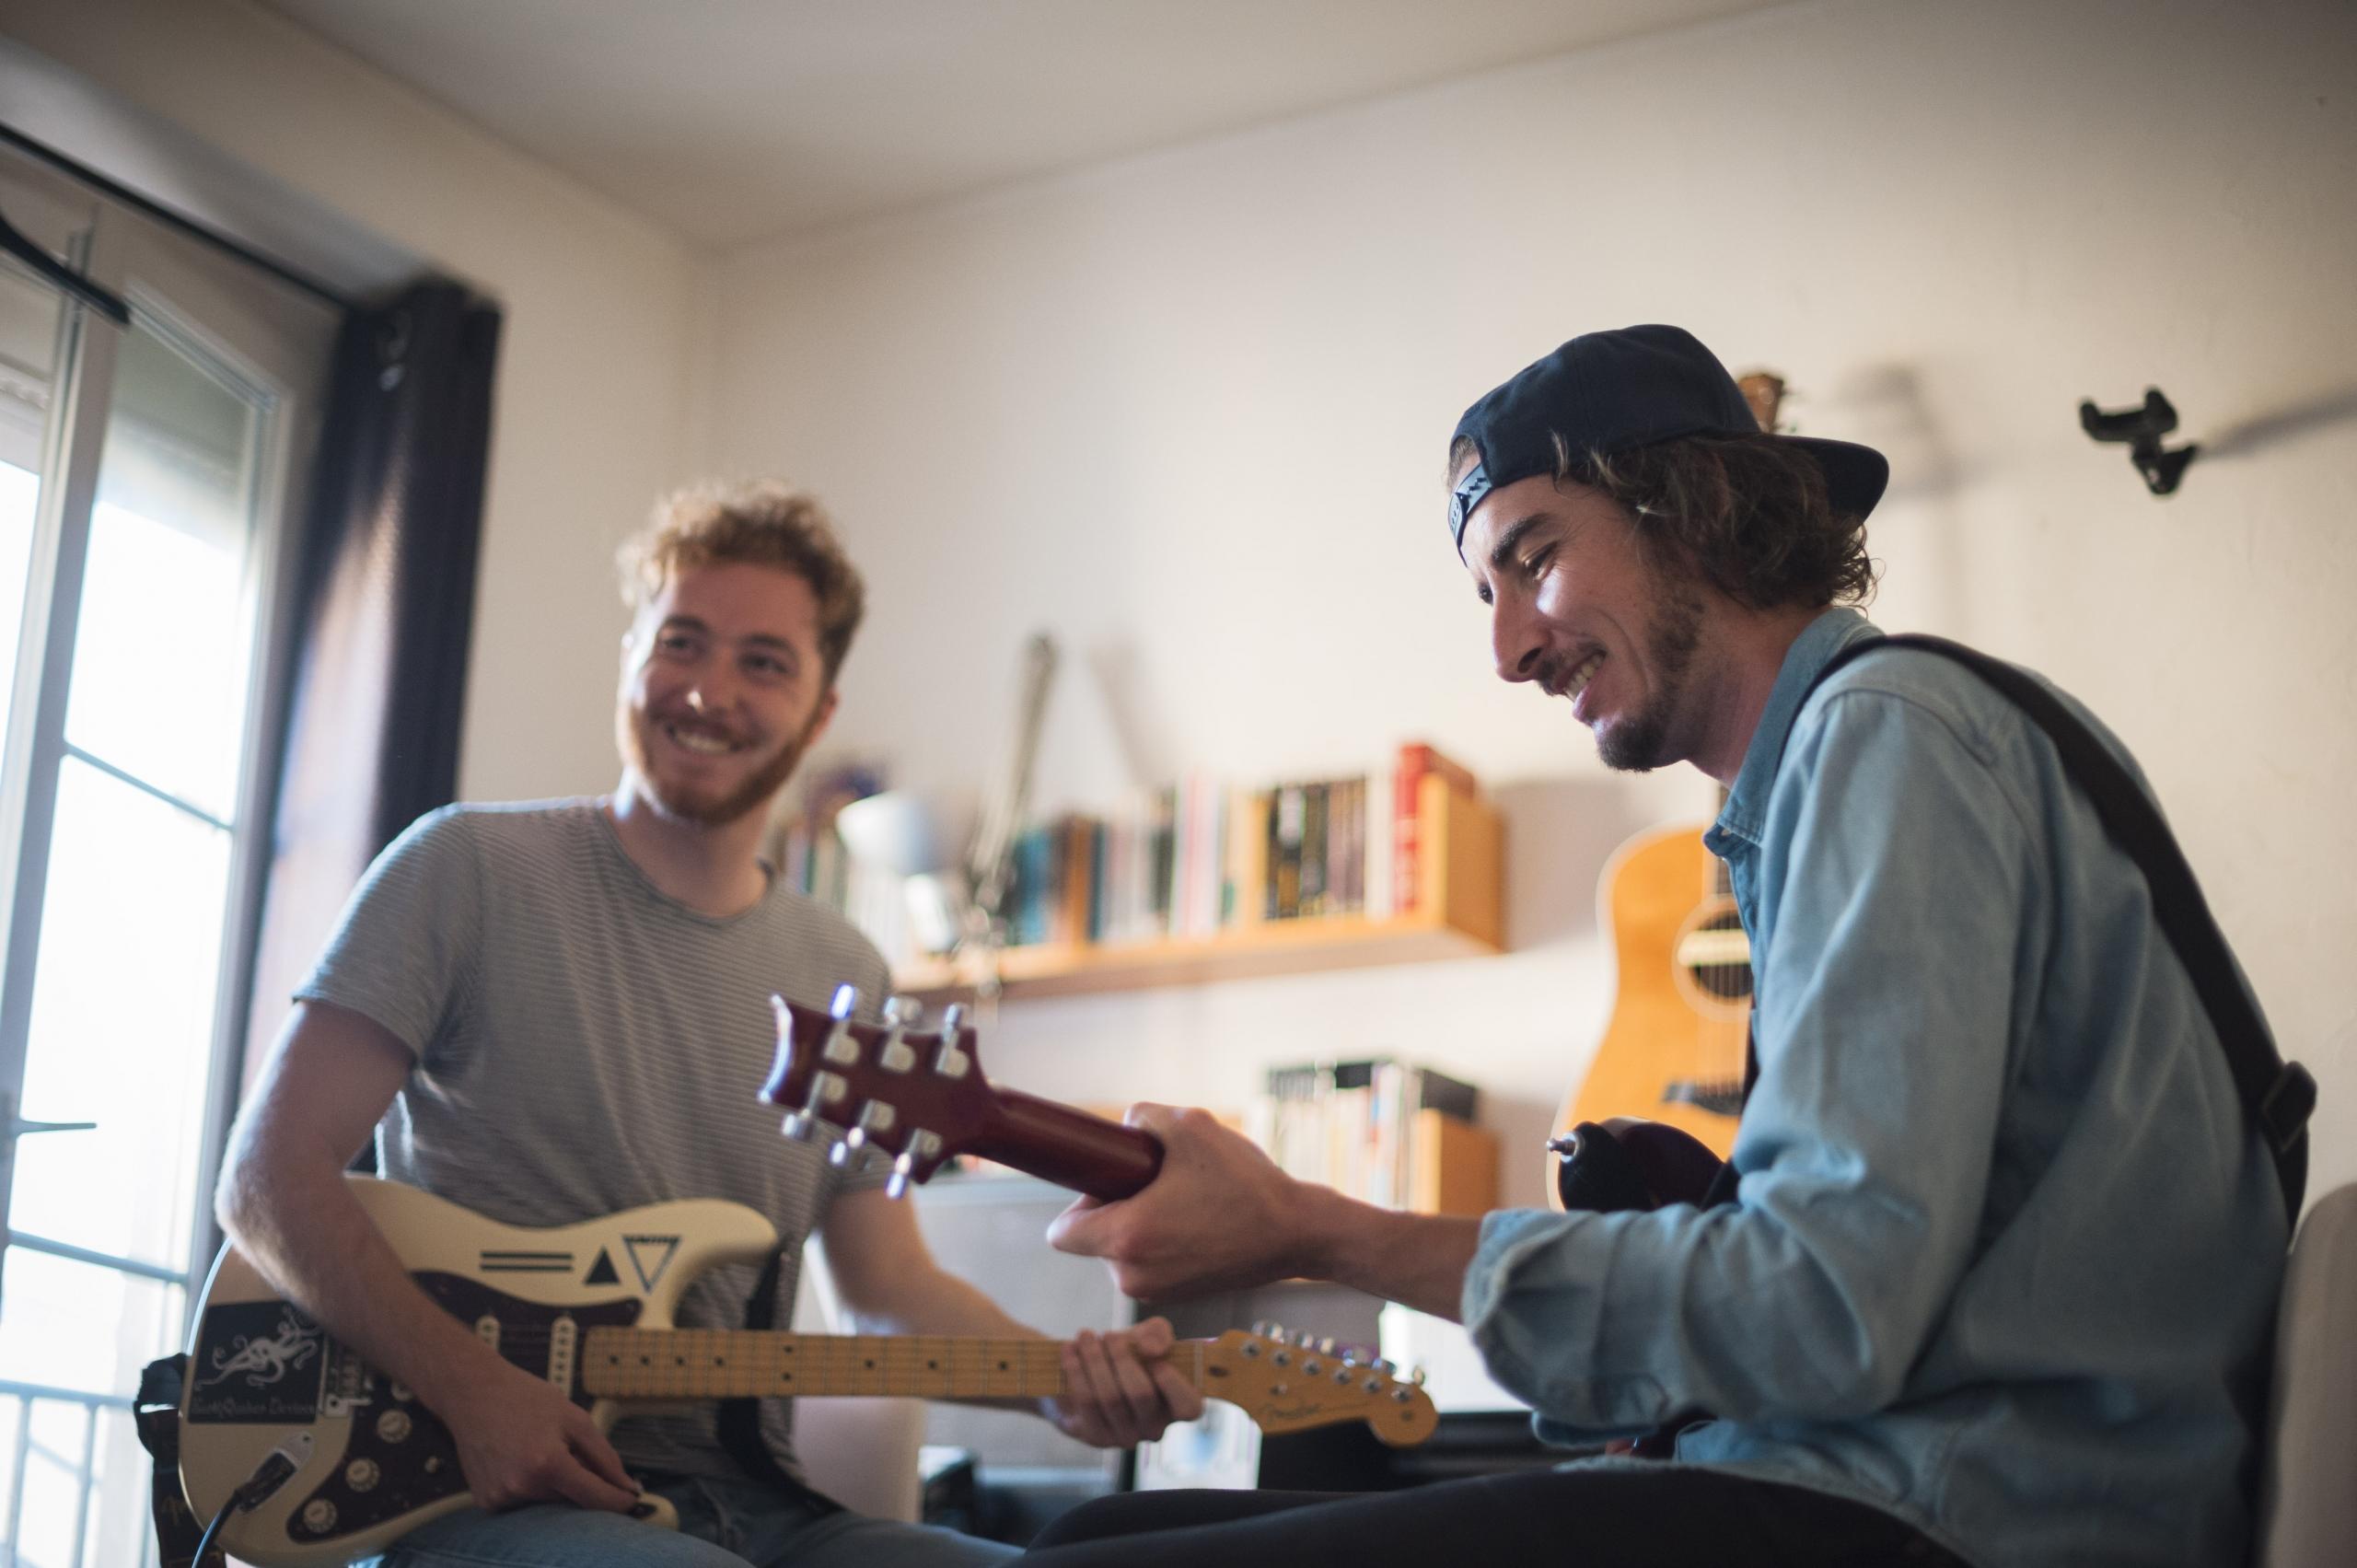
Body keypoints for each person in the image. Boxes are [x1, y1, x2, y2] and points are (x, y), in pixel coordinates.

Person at [1038, 325, 2292, 1568]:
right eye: (1489, 594)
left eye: (1533, 560)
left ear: (1689, 508)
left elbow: (1821, 1303)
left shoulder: (1889, 737)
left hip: (1961, 1513)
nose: (1509, 648)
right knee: (1105, 1521)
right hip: (1890, 1475)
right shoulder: (1863, 757)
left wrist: (1312, 1225)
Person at [216, 481, 1201, 1568]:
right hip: (470, 1492)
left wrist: (1062, 1385)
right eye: (680, 642)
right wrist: (477, 1391)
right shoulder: (464, 867)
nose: (708, 689)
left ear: (821, 712)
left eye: (764, 661)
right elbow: (266, 1178)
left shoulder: (847, 974)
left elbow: (890, 1289)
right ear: (633, 653)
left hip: (764, 1509)